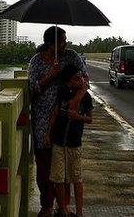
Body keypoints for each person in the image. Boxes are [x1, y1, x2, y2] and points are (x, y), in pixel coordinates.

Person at [28, 26, 88, 217]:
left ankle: (63, 206)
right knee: (44, 163)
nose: (65, 44)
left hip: (65, 119)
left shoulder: (71, 57)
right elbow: (33, 90)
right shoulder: (36, 62)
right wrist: (50, 76)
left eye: (65, 40)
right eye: (61, 41)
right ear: (49, 44)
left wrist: (76, 97)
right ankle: (46, 204)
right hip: (43, 119)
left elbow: (85, 80)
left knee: (65, 164)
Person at [49, 64, 92, 217]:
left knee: (77, 178)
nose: (80, 80)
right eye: (76, 78)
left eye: (81, 77)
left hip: (75, 143)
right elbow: (61, 111)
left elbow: (89, 118)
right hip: (59, 141)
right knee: (58, 178)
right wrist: (48, 133)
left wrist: (79, 117)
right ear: (68, 81)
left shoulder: (86, 98)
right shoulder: (63, 92)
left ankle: (79, 212)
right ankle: (64, 210)